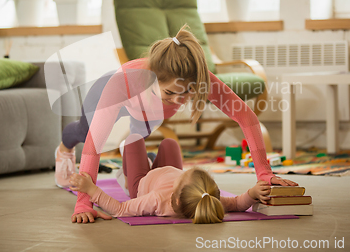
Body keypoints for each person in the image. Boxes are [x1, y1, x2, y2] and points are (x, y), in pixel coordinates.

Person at [57, 25, 298, 224]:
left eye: (187, 93)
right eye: (171, 92)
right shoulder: (124, 82)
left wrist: (264, 174)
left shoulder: (201, 79)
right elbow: (93, 145)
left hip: (147, 110)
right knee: (84, 131)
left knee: (137, 137)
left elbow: (246, 117)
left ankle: (144, 167)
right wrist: (83, 202)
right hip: (113, 93)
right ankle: (64, 149)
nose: (178, 101)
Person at [69, 136, 272, 224]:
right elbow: (237, 204)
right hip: (163, 172)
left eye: (181, 176)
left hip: (142, 182)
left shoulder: (157, 199)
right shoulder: (208, 198)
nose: (180, 174)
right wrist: (252, 195)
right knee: (169, 143)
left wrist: (91, 189)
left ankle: (126, 174)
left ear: (174, 199)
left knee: (134, 139)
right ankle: (151, 160)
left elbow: (120, 210)